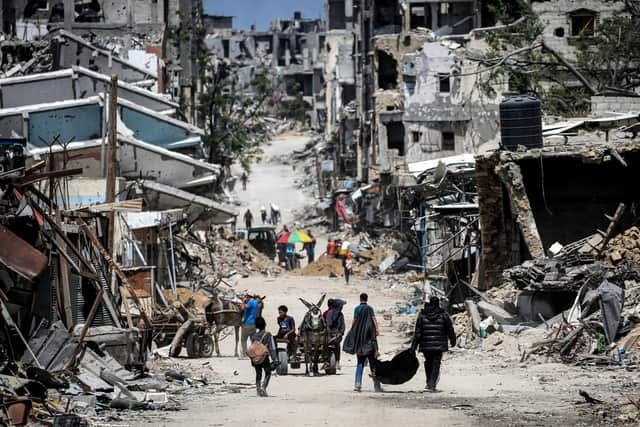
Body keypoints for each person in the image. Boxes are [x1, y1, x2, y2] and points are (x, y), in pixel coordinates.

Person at [411, 296, 456, 392]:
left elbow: (418, 332)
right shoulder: (443, 314)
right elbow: (449, 328)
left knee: (428, 362)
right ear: (438, 303)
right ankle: (431, 384)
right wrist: (453, 340)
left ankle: (429, 382)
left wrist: (414, 346)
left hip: (425, 344)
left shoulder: (422, 315)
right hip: (439, 345)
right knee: (436, 364)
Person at [343, 293, 382, 392]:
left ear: (360, 299)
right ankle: (377, 386)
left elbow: (355, 321)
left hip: (360, 343)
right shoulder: (370, 309)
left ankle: (357, 384)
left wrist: (352, 331)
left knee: (360, 363)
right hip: (370, 345)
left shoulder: (357, 309)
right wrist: (377, 329)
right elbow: (374, 319)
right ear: (367, 299)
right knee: (373, 365)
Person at [250, 317, 278, 397]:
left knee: (258, 373)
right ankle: (264, 387)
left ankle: (258, 390)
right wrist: (274, 359)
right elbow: (272, 347)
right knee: (268, 372)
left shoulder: (254, 335)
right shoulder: (268, 335)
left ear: (256, 326)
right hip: (264, 357)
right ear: (265, 324)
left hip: (255, 357)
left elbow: (252, 347)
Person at [326, 298, 346, 371]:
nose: (342, 307)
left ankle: (337, 361)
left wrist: (341, 333)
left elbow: (343, 325)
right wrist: (329, 334)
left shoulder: (341, 315)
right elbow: (328, 325)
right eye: (341, 306)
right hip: (329, 334)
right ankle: (327, 360)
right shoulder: (330, 313)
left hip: (337, 335)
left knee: (337, 344)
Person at [241, 293, 260, 357]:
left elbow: (243, 308)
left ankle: (244, 354)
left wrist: (243, 301)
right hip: (254, 323)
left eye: (245, 297)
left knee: (243, 340)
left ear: (248, 297)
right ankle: (253, 354)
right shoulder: (256, 302)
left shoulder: (250, 302)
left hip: (247, 323)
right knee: (253, 340)